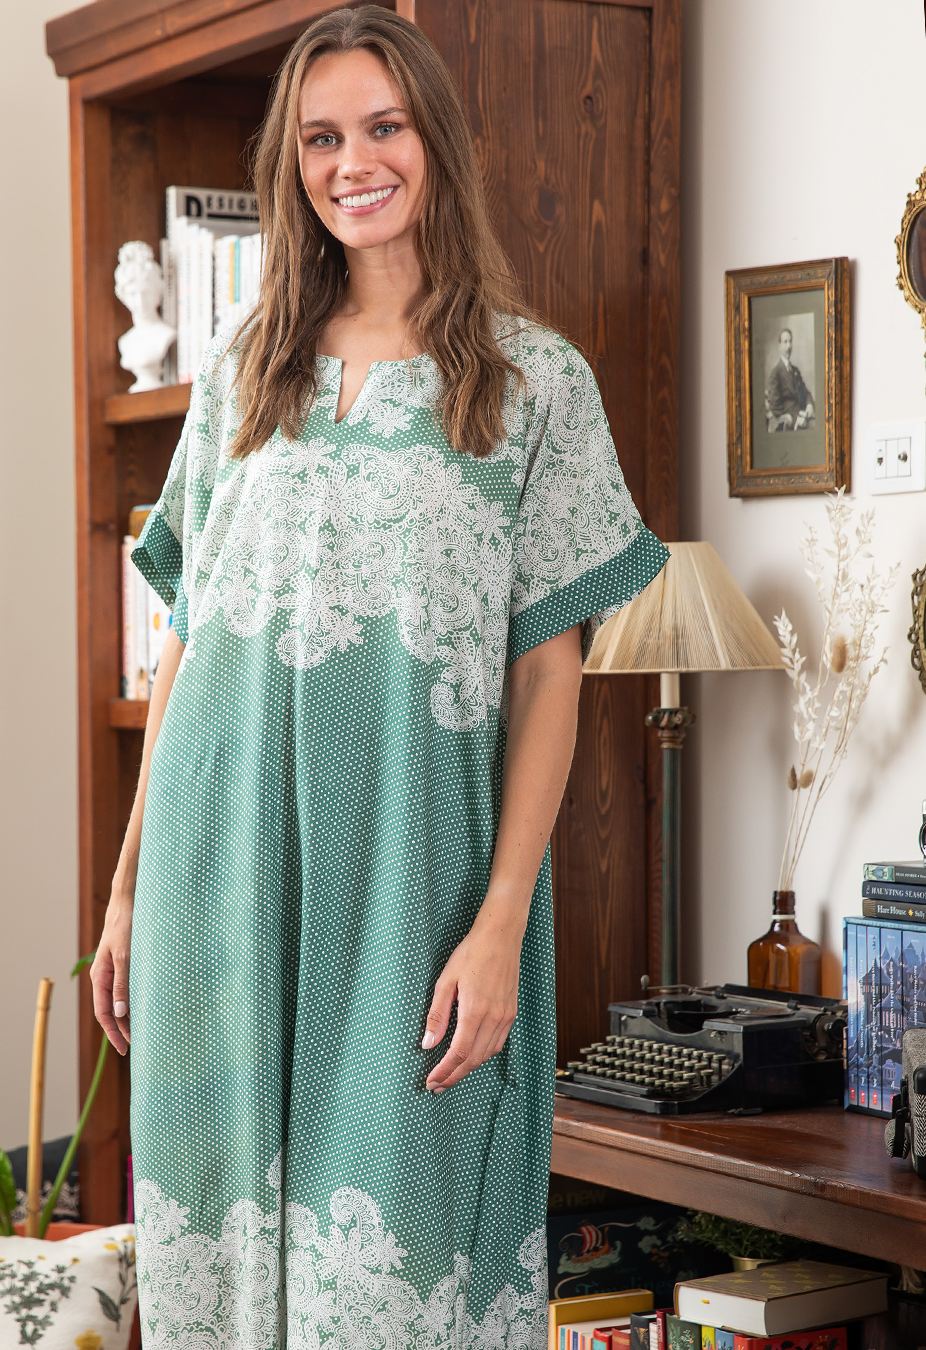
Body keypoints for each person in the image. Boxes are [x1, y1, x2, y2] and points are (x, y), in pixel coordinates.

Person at [90, 8, 668, 1348]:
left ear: (436, 142)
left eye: (383, 127)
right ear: (292, 166)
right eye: (321, 139)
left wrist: (502, 917)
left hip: (420, 888)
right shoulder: (241, 374)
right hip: (218, 877)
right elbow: (188, 636)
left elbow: (552, 673)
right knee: (216, 1283)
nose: (354, 163)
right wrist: (125, 888)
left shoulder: (536, 384)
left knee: (401, 1280)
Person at [766, 327, 815, 430]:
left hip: (803, 417)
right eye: (785, 342)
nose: (789, 346)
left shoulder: (795, 371)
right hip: (791, 424)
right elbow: (775, 406)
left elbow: (806, 393)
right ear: (779, 346)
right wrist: (796, 418)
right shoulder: (775, 373)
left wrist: (810, 405)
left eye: (790, 342)